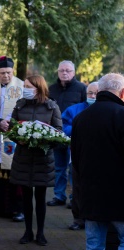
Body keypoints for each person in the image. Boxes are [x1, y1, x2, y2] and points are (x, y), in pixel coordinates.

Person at [72, 73, 124, 250]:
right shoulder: (121, 115)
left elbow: (76, 160)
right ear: (122, 93)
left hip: (90, 193)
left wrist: (77, 195)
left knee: (94, 244)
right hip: (118, 193)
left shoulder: (82, 118)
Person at [9, 75, 62, 246]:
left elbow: (58, 131)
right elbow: (12, 129)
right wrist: (20, 139)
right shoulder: (20, 105)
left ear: (39, 88)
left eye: (28, 86)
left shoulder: (51, 106)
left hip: (42, 159)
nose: (25, 89)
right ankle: (27, 231)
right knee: (25, 196)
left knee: (40, 196)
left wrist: (45, 140)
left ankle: (40, 233)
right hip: (23, 157)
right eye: (24, 86)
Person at [0, 56, 24, 222]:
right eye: (2, 73)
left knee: (14, 172)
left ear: (12, 71)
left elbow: (23, 107)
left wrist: (8, 121)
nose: (5, 76)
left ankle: (17, 209)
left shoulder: (22, 87)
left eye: (8, 72)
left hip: (13, 134)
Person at [47, 60, 86, 207]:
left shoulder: (82, 89)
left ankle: (73, 197)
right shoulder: (51, 89)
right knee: (58, 167)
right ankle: (59, 195)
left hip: (74, 135)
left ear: (74, 72)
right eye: (62, 70)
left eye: (68, 70)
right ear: (57, 72)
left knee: (73, 168)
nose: (64, 73)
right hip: (56, 133)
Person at [63, 82, 98, 231]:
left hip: (101, 156)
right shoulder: (74, 110)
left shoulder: (107, 109)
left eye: (96, 93)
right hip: (78, 155)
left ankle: (95, 218)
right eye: (90, 93)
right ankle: (78, 218)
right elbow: (65, 127)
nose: (93, 96)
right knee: (78, 188)